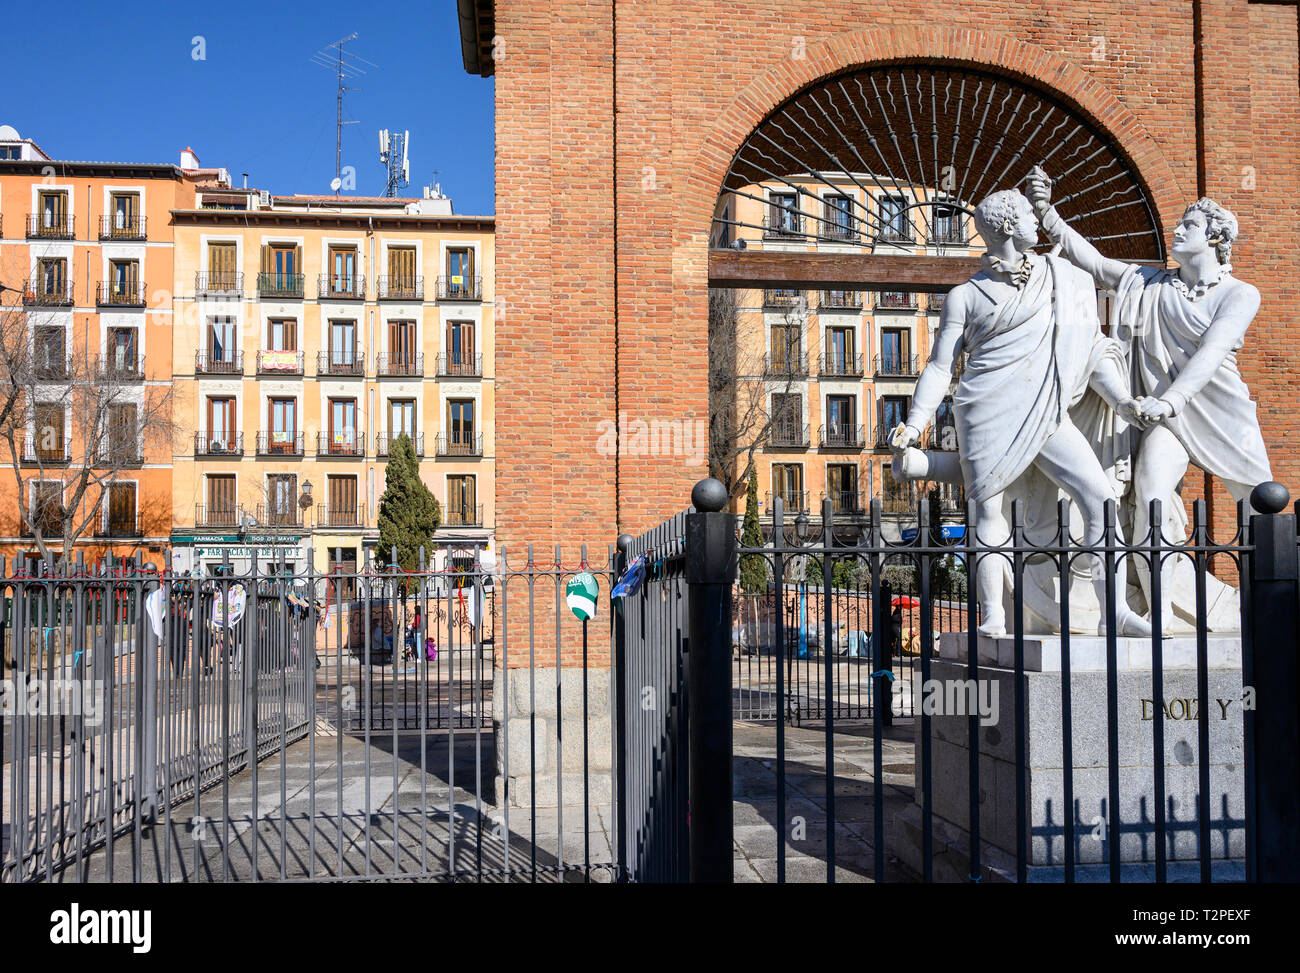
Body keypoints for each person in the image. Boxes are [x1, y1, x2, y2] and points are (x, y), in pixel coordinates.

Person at [893, 188, 1151, 638]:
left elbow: (1091, 350)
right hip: (985, 411)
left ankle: (1114, 611)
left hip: (1047, 410)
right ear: (1010, 227)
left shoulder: (1062, 278)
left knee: (1100, 501)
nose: (1039, 224)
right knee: (987, 514)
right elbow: (940, 366)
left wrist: (1122, 401)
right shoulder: (965, 296)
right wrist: (915, 425)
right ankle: (993, 613)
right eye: (1032, 217)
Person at [1027, 168, 1272, 630]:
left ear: (1215, 239)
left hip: (1221, 411)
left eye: (1190, 225)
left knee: (1263, 507)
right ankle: (1158, 617)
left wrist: (1172, 400)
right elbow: (1096, 263)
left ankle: (1275, 602)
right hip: (1167, 418)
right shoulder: (1150, 283)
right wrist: (1047, 214)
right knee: (1152, 493)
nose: (1177, 230)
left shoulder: (1240, 294)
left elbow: (1213, 351)